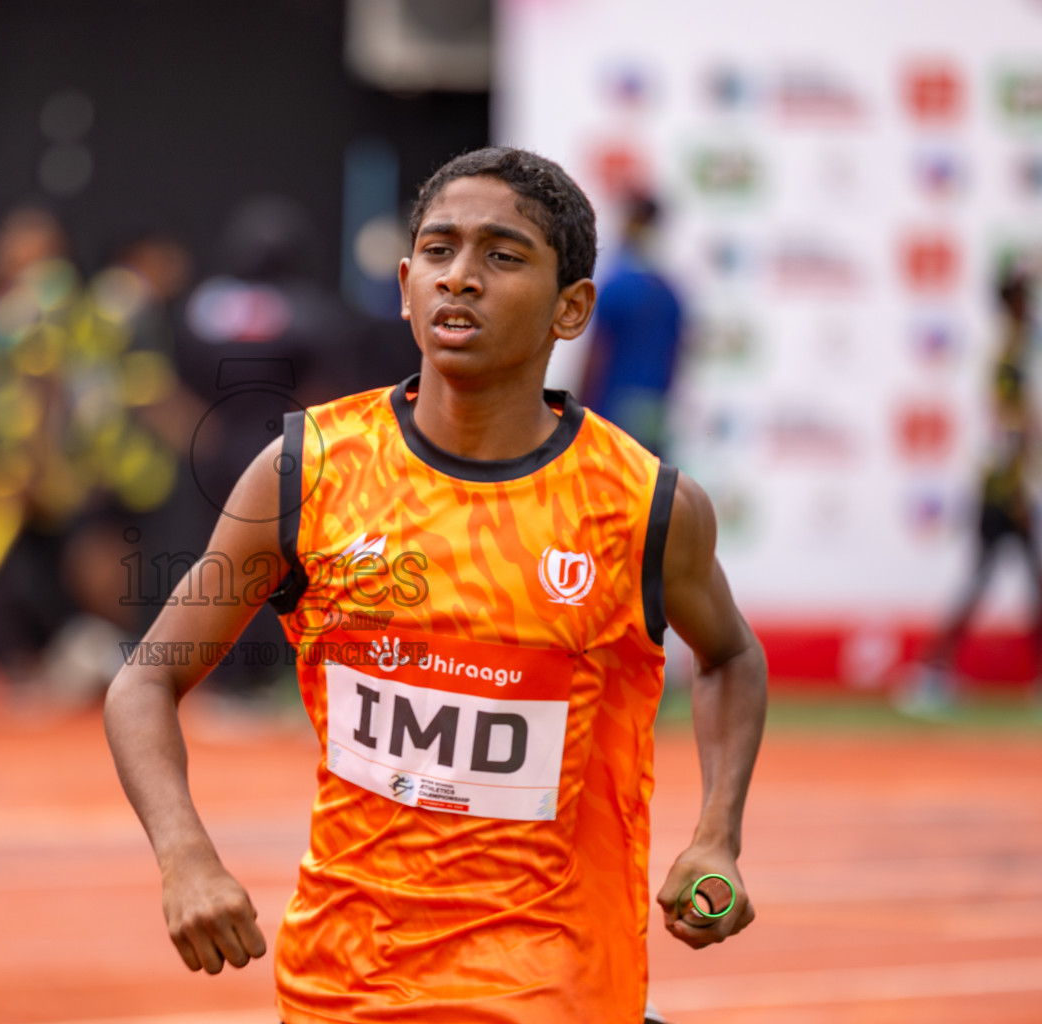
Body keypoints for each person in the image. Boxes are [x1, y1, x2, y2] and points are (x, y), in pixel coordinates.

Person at [104, 147, 767, 1023]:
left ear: (572, 308)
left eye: (503, 254)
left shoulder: (645, 506)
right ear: (407, 284)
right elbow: (144, 679)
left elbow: (730, 657)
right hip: (344, 991)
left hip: (557, 991)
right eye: (440, 249)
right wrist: (185, 856)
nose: (461, 277)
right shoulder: (306, 471)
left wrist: (716, 838)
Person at [906, 270, 1039, 711]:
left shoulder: (1013, 350)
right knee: (988, 583)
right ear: (1015, 304)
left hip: (1004, 486)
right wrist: (1016, 491)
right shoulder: (1010, 355)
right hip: (1004, 490)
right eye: (1026, 299)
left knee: (991, 582)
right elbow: (1008, 428)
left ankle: (932, 671)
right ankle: (930, 672)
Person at [579, 191, 684, 457]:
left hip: (613, 404)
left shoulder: (618, 285)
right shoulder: (669, 292)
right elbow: (676, 356)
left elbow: (599, 351)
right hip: (654, 407)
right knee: (647, 487)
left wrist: (579, 404)